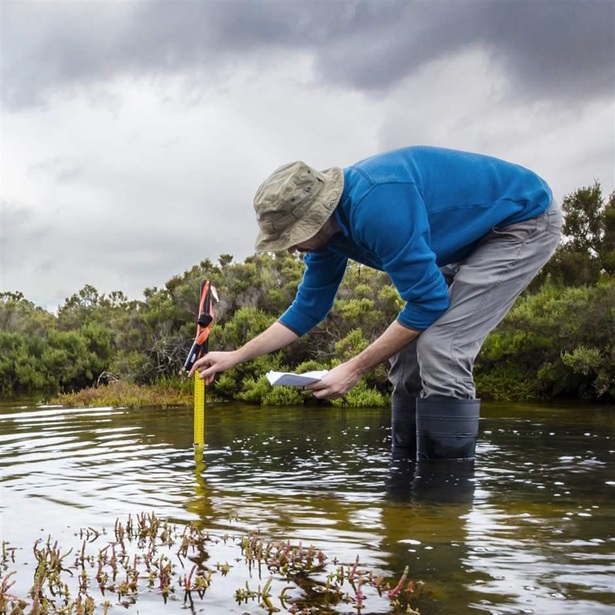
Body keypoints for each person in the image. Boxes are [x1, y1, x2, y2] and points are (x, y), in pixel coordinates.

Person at [189, 146, 562, 461]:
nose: (290, 247)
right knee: (408, 352)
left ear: (319, 215)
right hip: (466, 238)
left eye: (294, 235)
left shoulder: (377, 206)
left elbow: (428, 303)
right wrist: (236, 355)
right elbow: (309, 308)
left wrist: (353, 369)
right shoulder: (328, 237)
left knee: (440, 345)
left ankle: (443, 500)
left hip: (520, 223)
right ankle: (405, 483)